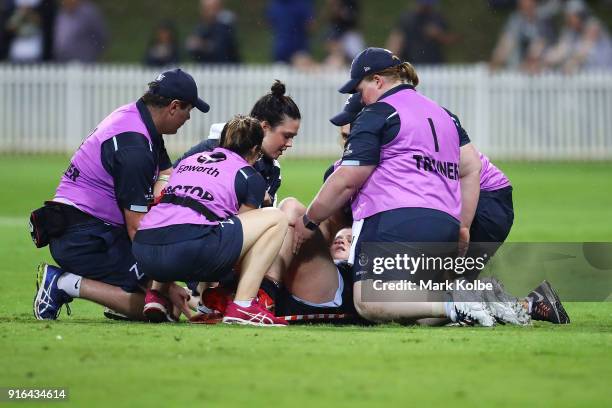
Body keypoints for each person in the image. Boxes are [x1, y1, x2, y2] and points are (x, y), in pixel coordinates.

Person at [293, 47, 524, 326]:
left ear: (377, 81)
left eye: (360, 87)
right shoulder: (445, 114)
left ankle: (461, 301)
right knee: (417, 311)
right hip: (445, 220)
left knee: (370, 300)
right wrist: (462, 225)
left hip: (395, 218)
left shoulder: (378, 112)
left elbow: (347, 180)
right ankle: (489, 300)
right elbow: (470, 167)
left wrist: (309, 221)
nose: (360, 97)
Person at [330, 90, 568, 325]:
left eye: (353, 134)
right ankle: (530, 303)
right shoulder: (366, 156)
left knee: (424, 306)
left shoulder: (390, 149)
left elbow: (462, 175)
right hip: (475, 201)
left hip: (482, 201)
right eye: (344, 137)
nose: (348, 143)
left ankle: (522, 304)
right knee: (422, 302)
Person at [31, 68, 209, 321]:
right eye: (188, 111)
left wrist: (163, 191)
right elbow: (137, 230)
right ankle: (61, 283)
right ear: (173, 106)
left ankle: (122, 295)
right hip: (84, 237)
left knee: (158, 293)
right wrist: (166, 286)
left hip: (87, 225)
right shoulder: (134, 149)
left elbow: (167, 172)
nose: (188, 118)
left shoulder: (137, 117)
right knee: (161, 308)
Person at [132, 116, 288, 327]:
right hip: (189, 249)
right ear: (254, 150)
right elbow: (239, 242)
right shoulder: (249, 175)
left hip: (144, 251)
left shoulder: (187, 161)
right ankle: (243, 305)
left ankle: (157, 297)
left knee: (182, 212)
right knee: (276, 218)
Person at [543, 0, 612, 74]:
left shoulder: (592, 26)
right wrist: (547, 58)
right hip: (585, 73)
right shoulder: (570, 31)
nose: (569, 20)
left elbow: (583, 51)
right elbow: (562, 49)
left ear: (580, 16)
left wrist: (570, 63)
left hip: (602, 70)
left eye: (572, 17)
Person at [489, 0, 556, 73]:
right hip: (519, 67)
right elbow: (506, 42)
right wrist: (497, 60)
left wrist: (529, 61)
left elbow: (541, 43)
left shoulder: (542, 19)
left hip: (540, 67)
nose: (525, 5)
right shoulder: (516, 20)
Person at [386, 0, 457, 65]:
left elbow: (449, 39)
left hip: (434, 65)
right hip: (412, 64)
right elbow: (395, 43)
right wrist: (391, 62)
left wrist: (438, 35)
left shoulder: (437, 18)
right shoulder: (407, 19)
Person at [266, 0, 315, 65]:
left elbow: (270, 23)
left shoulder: (274, 4)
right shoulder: (303, 3)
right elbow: (310, 26)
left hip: (282, 49)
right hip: (298, 49)